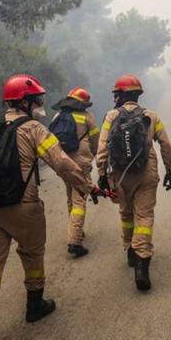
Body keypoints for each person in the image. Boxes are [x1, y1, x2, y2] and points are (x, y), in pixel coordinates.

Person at [0, 74, 99, 340]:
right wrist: (89, 186)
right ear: (26, 102)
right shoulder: (34, 129)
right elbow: (62, 165)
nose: (41, 103)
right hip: (23, 206)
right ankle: (35, 306)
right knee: (32, 255)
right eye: (37, 99)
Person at [96, 74, 171, 291]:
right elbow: (166, 146)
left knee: (126, 213)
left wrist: (102, 174)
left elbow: (102, 149)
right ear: (137, 95)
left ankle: (130, 249)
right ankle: (142, 262)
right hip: (146, 172)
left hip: (120, 174)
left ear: (120, 96)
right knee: (145, 215)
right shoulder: (152, 116)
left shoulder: (111, 117)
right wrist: (170, 169)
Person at [49, 87, 100, 257]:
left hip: (63, 163)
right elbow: (95, 142)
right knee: (79, 200)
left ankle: (76, 230)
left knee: (70, 197)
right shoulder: (87, 117)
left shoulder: (58, 116)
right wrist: (96, 158)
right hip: (81, 164)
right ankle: (74, 241)